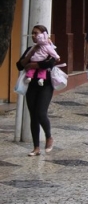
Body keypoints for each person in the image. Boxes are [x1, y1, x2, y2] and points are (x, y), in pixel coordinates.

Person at [16, 25, 58, 156]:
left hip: (46, 85)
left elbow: (50, 63)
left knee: (41, 112)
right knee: (33, 115)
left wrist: (33, 65)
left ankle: (49, 136)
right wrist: (31, 54)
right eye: (32, 33)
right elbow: (20, 65)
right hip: (32, 85)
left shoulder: (50, 47)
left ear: (44, 34)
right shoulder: (30, 49)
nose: (34, 36)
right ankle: (36, 147)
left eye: (36, 33)